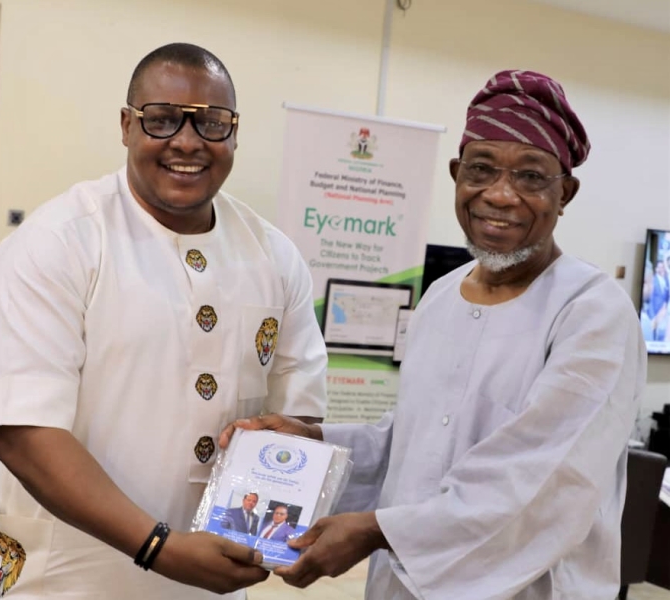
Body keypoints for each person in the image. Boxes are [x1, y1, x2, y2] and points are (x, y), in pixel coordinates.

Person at [221, 70, 647, 599]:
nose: (501, 195)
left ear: (566, 193)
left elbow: (545, 481)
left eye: (531, 176)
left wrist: (378, 531)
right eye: (481, 169)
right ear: (455, 175)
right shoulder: (443, 296)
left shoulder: (592, 312)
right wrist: (315, 443)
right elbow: (412, 444)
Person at [0, 42, 328, 600]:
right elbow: (23, 433)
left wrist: (289, 451)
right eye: (161, 119)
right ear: (126, 125)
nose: (187, 141)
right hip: (66, 579)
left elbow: (298, 413)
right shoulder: (58, 243)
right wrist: (158, 547)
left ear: (235, 133)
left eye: (212, 122)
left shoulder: (274, 256)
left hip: (211, 579)